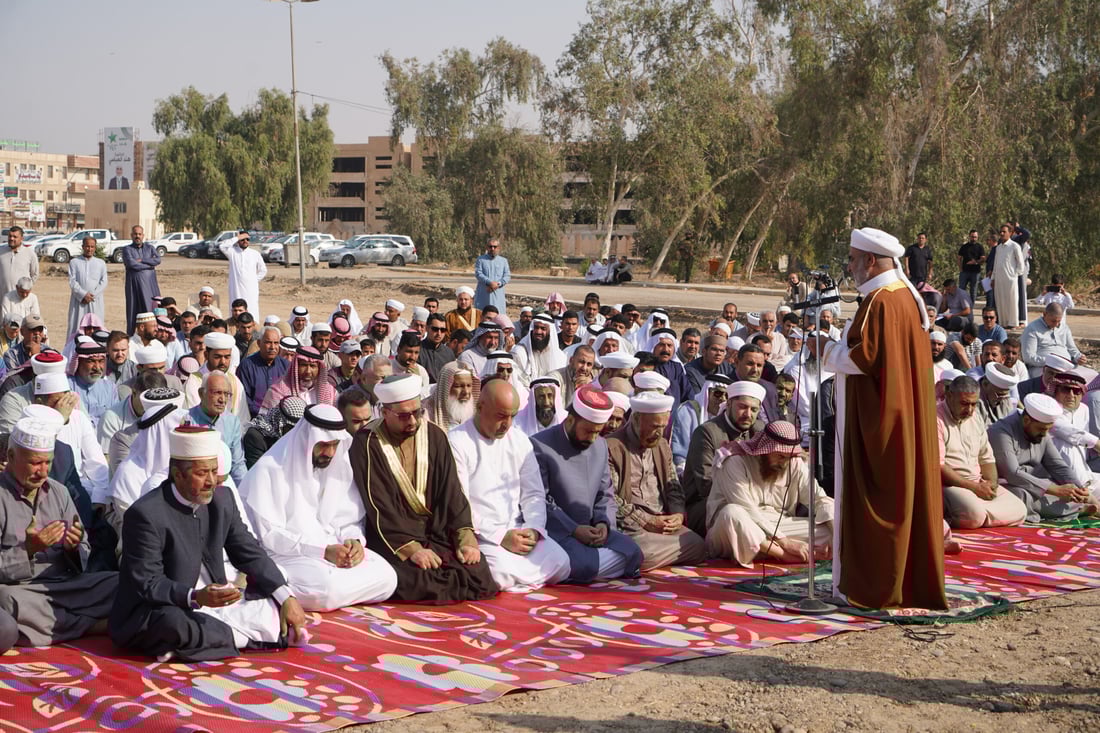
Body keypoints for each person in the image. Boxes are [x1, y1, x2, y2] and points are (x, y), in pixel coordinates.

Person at [820, 227, 947, 610]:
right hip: (901, 420)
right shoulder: (905, 298)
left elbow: (863, 358)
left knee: (876, 498)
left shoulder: (881, 300)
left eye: (854, 259)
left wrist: (823, 348)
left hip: (880, 424)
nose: (851, 266)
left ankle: (868, 587)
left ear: (871, 261)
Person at [110, 425, 307, 661]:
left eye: (214, 471)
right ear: (177, 474)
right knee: (172, 625)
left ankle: (203, 644)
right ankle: (248, 639)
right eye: (202, 473)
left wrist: (287, 597)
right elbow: (149, 584)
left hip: (217, 602)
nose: (211, 481)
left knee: (272, 599)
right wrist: (196, 597)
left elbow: (249, 552)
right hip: (169, 605)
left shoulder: (222, 500)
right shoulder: (145, 514)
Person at [350, 374, 498, 602]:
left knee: (478, 572)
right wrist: (412, 549)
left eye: (416, 412)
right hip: (392, 537)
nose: (412, 421)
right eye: (403, 415)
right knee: (422, 580)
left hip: (434, 532)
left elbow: (452, 493)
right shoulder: (367, 443)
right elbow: (378, 505)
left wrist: (464, 536)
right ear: (384, 412)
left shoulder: (435, 435)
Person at [241, 404, 397, 610]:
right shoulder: (269, 470)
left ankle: (304, 590)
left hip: (331, 548)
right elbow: (270, 536)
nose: (330, 452)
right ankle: (274, 585)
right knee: (327, 590)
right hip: (285, 554)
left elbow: (347, 518)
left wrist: (354, 541)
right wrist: (322, 551)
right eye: (323, 444)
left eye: (334, 445)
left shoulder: (335, 465)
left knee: (388, 576)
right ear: (307, 439)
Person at [0, 416, 118, 653]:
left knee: (120, 582)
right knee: (5, 607)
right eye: (35, 463)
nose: (42, 471)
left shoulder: (59, 492)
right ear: (11, 457)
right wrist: (28, 550)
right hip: (19, 590)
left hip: (65, 587)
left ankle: (52, 628)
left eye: (48, 462)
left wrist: (72, 549)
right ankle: (91, 625)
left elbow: (83, 551)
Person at [449, 380, 571, 592]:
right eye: (501, 416)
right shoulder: (457, 441)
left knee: (562, 562)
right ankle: (528, 581)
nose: (507, 423)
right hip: (483, 536)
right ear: (480, 407)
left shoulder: (520, 440)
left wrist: (534, 529)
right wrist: (500, 537)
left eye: (512, 416)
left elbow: (533, 493)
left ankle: (520, 581)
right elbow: (460, 503)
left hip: (518, 531)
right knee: (497, 573)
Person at [530, 385, 643, 583]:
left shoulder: (599, 444)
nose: (592, 438)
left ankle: (588, 568)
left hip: (592, 529)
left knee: (634, 553)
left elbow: (605, 492)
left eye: (597, 432)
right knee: (585, 565)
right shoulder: (540, 445)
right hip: (560, 531)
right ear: (571, 420)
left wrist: (603, 523)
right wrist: (574, 529)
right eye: (588, 431)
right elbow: (541, 500)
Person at [706, 420, 834, 567]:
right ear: (765, 450)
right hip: (736, 529)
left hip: (779, 527)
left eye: (789, 457)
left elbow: (819, 499)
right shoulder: (735, 461)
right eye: (780, 456)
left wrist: (836, 531)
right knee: (732, 512)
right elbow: (747, 509)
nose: (785, 462)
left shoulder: (793, 462)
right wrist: (786, 544)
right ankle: (785, 556)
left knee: (830, 524)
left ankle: (777, 550)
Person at [605, 391, 706, 571]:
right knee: (641, 550)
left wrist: (677, 513)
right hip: (631, 526)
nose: (659, 433)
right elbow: (612, 499)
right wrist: (647, 521)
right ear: (636, 420)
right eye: (654, 427)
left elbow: (673, 486)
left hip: (663, 524)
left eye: (663, 427)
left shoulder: (662, 446)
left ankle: (633, 560)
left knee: (698, 545)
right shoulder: (611, 446)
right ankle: (634, 557)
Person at [988, 393, 1095, 522]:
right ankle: (1073, 510)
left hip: (1035, 484)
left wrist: (1078, 488)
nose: (1044, 435)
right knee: (1021, 495)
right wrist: (1055, 490)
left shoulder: (1043, 432)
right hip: (1006, 484)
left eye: (1048, 430)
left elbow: (1058, 465)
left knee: (1066, 491)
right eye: (1041, 429)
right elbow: (1012, 473)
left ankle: (1073, 508)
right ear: (1027, 420)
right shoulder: (1001, 431)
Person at [937, 375, 1027, 528]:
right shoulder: (935, 418)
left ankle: (976, 517)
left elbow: (986, 458)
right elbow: (939, 466)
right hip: (951, 486)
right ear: (949, 396)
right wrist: (974, 488)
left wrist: (991, 484)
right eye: (965, 404)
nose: (970, 410)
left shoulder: (975, 417)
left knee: (1021, 509)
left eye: (974, 404)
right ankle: (973, 517)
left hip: (978, 483)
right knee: (975, 515)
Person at [681, 380, 766, 536]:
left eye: (754, 409)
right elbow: (705, 484)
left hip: (749, 499)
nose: (748, 414)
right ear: (729, 404)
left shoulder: (759, 430)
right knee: (737, 512)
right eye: (742, 407)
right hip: (707, 504)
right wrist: (747, 493)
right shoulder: (707, 432)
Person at [188, 372, 246, 485]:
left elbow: (238, 464)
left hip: (223, 484)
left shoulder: (232, 422)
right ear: (201, 394)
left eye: (227, 394)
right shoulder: (187, 421)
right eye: (217, 393)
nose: (222, 400)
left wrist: (244, 492)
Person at [671, 373, 730, 477]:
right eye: (718, 394)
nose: (723, 399)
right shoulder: (688, 411)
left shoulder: (727, 418)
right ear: (707, 393)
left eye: (727, 396)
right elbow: (680, 454)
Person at [1020, 302, 1085, 376]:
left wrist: (1078, 357)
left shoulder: (1064, 327)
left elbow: (1072, 349)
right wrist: (1052, 362)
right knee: (1062, 378)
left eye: (1059, 321)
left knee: (1091, 377)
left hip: (1068, 366)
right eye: (1053, 321)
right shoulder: (1032, 329)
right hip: (1042, 368)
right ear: (1044, 314)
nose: (1056, 324)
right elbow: (1028, 358)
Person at [261, 345, 335, 409]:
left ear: (319, 368)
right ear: (296, 366)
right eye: (304, 365)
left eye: (312, 366)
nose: (308, 371)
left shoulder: (330, 392)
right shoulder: (278, 391)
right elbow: (265, 420)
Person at [237, 326, 288, 418]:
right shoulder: (247, 365)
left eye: (276, 343)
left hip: (281, 419)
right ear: (259, 343)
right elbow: (244, 398)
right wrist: (264, 414)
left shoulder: (285, 365)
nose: (272, 347)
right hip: (254, 419)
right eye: (268, 342)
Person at [121, 226, 162, 335]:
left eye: (139, 234)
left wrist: (143, 260)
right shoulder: (127, 249)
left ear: (143, 235)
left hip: (150, 283)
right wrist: (149, 266)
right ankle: (132, 335)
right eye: (135, 234)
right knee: (134, 308)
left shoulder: (150, 248)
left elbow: (157, 260)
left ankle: (153, 332)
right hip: (134, 285)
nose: (137, 236)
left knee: (151, 307)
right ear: (131, 235)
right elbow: (131, 264)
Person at [243, 396, 305, 468]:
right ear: (280, 422)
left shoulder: (297, 438)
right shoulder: (256, 437)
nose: (295, 432)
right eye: (291, 427)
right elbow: (257, 471)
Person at [66, 236, 108, 342]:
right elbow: (72, 281)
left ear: (95, 248)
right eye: (87, 246)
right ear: (83, 247)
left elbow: (103, 282)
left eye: (92, 247)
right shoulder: (74, 262)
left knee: (96, 325)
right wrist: (83, 294)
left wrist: (92, 295)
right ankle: (74, 349)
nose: (89, 249)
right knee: (77, 326)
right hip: (79, 301)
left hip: (95, 301)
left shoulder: (100, 263)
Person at [67, 339, 114, 428]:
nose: (97, 367)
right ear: (79, 362)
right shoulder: (67, 386)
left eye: (101, 361)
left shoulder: (110, 388)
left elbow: (114, 419)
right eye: (91, 361)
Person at [512, 313, 567, 383]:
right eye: (536, 327)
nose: (538, 332)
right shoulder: (519, 352)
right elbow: (518, 382)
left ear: (550, 331)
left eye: (543, 328)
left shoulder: (560, 357)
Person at [991, 223, 1026, 329]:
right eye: (1000, 232)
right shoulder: (998, 248)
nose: (1002, 234)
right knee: (1000, 300)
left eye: (1004, 232)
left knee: (1011, 300)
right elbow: (996, 264)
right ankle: (1003, 322)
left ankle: (1013, 322)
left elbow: (1021, 264)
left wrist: (1014, 275)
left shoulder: (1014, 246)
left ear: (1010, 233)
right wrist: (993, 278)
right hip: (999, 278)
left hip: (1010, 278)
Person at [425, 362, 478, 430]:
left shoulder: (477, 413)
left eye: (469, 386)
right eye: (458, 386)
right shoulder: (427, 414)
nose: (466, 392)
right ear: (445, 388)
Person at [549, 345, 596, 409]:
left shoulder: (594, 382)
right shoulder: (555, 378)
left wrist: (590, 388)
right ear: (571, 360)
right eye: (581, 362)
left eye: (589, 364)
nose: (584, 368)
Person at [977, 362, 1019, 428]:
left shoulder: (1005, 399)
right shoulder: (973, 402)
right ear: (985, 384)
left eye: (1005, 395)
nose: (1002, 399)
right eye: (999, 394)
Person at [0, 226, 39, 296]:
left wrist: (26, 288)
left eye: (15, 237)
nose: (11, 238)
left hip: (20, 298)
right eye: (10, 236)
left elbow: (35, 274)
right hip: (2, 296)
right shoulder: (1, 251)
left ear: (21, 238)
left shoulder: (29, 253)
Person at [474, 238, 510, 312]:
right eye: (490, 247)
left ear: (499, 248)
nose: (492, 249)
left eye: (495, 247)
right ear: (487, 248)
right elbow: (478, 273)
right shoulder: (480, 259)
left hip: (498, 293)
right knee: (481, 314)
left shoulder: (503, 261)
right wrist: (490, 282)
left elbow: (507, 276)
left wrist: (498, 284)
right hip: (484, 293)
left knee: (498, 316)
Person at [417, 313, 454, 384]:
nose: (439, 333)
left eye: (443, 330)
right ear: (427, 328)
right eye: (435, 329)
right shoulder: (417, 350)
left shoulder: (449, 353)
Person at [957, 230, 985, 303]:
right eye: (972, 237)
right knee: (961, 289)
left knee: (973, 290)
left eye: (975, 237)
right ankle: (962, 305)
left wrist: (975, 262)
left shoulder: (980, 247)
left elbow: (983, 258)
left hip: (975, 272)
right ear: (969, 236)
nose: (974, 238)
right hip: (964, 272)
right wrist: (960, 269)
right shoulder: (964, 246)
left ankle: (971, 306)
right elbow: (959, 258)